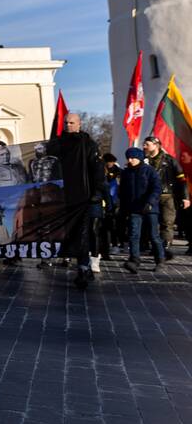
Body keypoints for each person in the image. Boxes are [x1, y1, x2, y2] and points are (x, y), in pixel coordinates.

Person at [48, 112, 107, 290]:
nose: (68, 126)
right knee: (64, 234)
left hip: (82, 197)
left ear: (79, 124)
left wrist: (97, 191)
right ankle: (78, 264)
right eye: (66, 123)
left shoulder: (88, 144)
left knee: (82, 234)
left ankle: (82, 267)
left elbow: (97, 169)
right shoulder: (56, 145)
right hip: (61, 198)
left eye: (72, 123)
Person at [119, 147, 165, 273]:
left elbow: (156, 188)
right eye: (128, 157)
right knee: (134, 235)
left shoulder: (149, 171)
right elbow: (122, 192)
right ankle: (134, 260)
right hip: (134, 209)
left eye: (133, 158)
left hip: (149, 208)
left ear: (139, 158)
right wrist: (122, 209)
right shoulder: (126, 172)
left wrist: (150, 202)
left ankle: (160, 259)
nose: (130, 160)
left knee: (153, 235)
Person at [143, 136, 188, 260]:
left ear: (156, 145)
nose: (144, 147)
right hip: (150, 196)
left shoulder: (169, 160)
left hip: (167, 196)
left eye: (147, 144)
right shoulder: (143, 160)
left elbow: (182, 180)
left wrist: (185, 197)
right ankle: (155, 247)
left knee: (167, 223)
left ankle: (165, 248)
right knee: (152, 223)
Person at [102, 153, 122, 260]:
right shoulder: (100, 170)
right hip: (103, 201)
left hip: (114, 201)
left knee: (113, 224)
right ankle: (105, 245)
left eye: (112, 162)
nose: (110, 164)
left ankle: (115, 244)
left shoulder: (118, 172)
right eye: (108, 162)